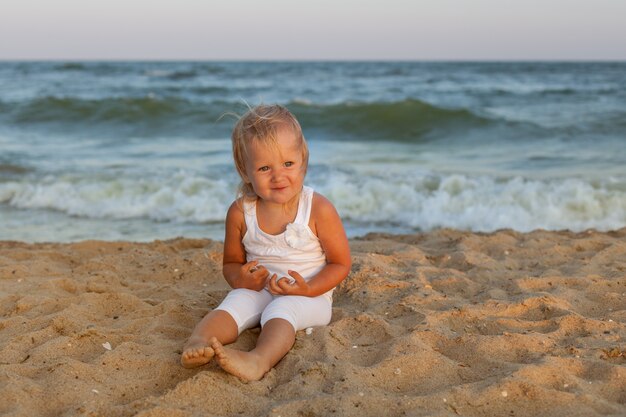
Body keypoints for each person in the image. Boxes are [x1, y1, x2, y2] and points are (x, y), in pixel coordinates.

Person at [180, 104, 351, 381]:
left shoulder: (318, 208)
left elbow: (341, 263)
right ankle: (198, 341)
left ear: (303, 159)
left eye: (288, 164)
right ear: (245, 171)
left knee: (281, 309)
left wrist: (309, 288)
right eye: (264, 167)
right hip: (261, 288)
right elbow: (232, 264)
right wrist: (243, 279)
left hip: (310, 295)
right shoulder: (240, 212)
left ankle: (259, 360)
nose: (278, 175)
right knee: (234, 303)